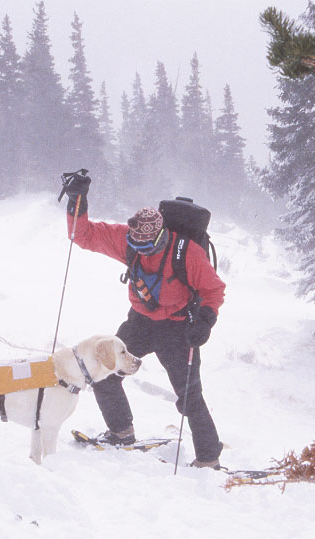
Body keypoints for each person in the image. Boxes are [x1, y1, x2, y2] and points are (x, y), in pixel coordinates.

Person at [61, 171, 226, 468]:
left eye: (147, 245)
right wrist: (77, 201)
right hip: (140, 322)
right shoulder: (127, 239)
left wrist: (205, 322)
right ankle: (121, 432)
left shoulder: (186, 252)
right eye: (135, 245)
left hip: (179, 328)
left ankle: (209, 457)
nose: (140, 250)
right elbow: (82, 236)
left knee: (189, 396)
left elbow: (213, 289)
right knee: (104, 373)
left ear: (161, 235)